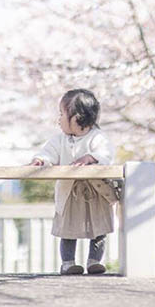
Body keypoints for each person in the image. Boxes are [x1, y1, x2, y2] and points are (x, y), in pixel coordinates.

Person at [30, 89, 117, 275]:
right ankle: (68, 263)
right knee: (68, 228)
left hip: (96, 192)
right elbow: (49, 153)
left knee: (98, 227)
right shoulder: (59, 140)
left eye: (62, 114)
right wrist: (41, 160)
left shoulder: (97, 137)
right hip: (70, 192)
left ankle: (94, 261)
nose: (58, 119)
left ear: (77, 118)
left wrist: (91, 157)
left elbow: (106, 154)